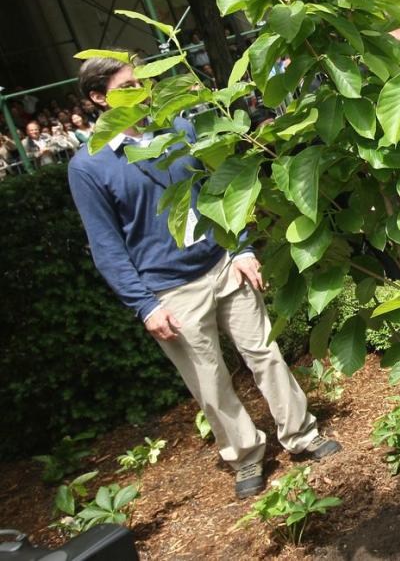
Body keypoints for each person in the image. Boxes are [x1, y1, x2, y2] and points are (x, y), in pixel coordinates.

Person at [67, 54, 341, 499]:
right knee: (209, 381)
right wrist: (145, 305)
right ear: (98, 98)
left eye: (144, 82)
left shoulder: (179, 130)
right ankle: (246, 456)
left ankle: (302, 436)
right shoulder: (89, 166)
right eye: (128, 86)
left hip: (222, 264)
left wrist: (242, 248)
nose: (143, 91)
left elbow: (217, 192)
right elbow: (107, 247)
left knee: (265, 353)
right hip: (169, 292)